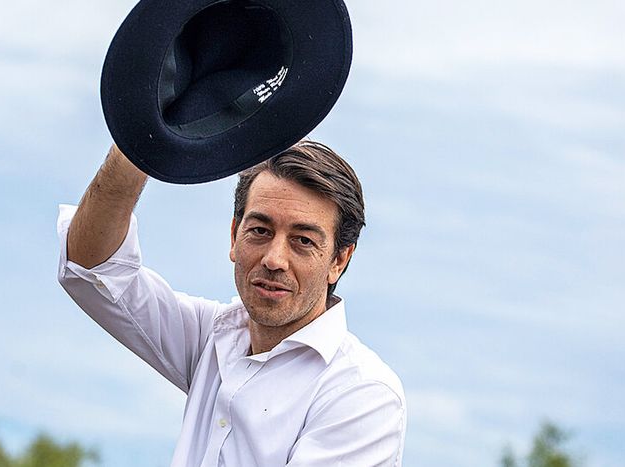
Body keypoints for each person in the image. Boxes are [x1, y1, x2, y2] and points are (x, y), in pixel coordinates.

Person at [57, 140, 407, 466]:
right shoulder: (214, 335)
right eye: (260, 230)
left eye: (302, 240)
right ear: (233, 235)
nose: (274, 259)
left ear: (339, 260)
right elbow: (92, 268)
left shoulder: (362, 393)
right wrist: (144, 132)